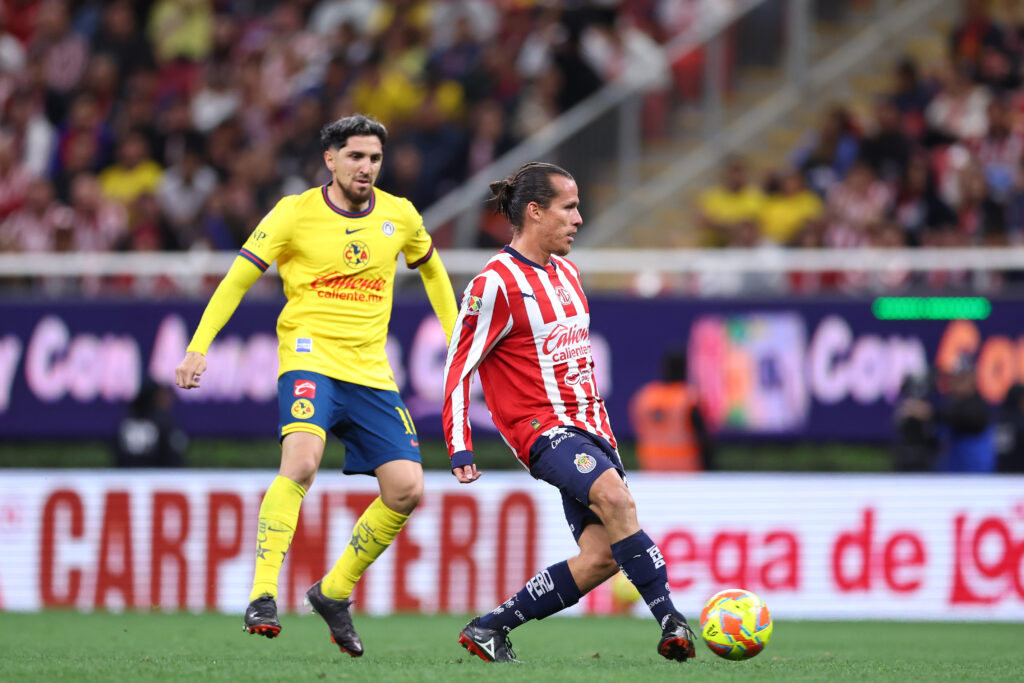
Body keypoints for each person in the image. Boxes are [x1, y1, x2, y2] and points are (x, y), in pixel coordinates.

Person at [174, 114, 457, 655]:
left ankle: (333, 591)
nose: (367, 168)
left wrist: (457, 338)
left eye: (374, 158)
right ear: (330, 159)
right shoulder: (294, 213)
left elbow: (435, 274)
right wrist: (198, 345)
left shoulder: (400, 216)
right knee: (301, 462)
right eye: (356, 157)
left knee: (407, 489)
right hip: (309, 358)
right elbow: (238, 278)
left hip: (371, 373)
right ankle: (261, 595)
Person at [441, 162, 696, 664]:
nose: (579, 219)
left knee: (601, 556)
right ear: (535, 212)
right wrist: (459, 444)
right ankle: (671, 619)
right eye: (570, 207)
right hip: (543, 429)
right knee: (616, 501)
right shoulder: (494, 284)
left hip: (592, 428)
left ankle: (492, 627)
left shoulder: (568, 272)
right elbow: (457, 368)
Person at [629, 348, 714, 472]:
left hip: (651, 472)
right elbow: (704, 440)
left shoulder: (645, 397)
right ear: (686, 368)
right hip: (686, 474)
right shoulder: (689, 398)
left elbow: (639, 432)